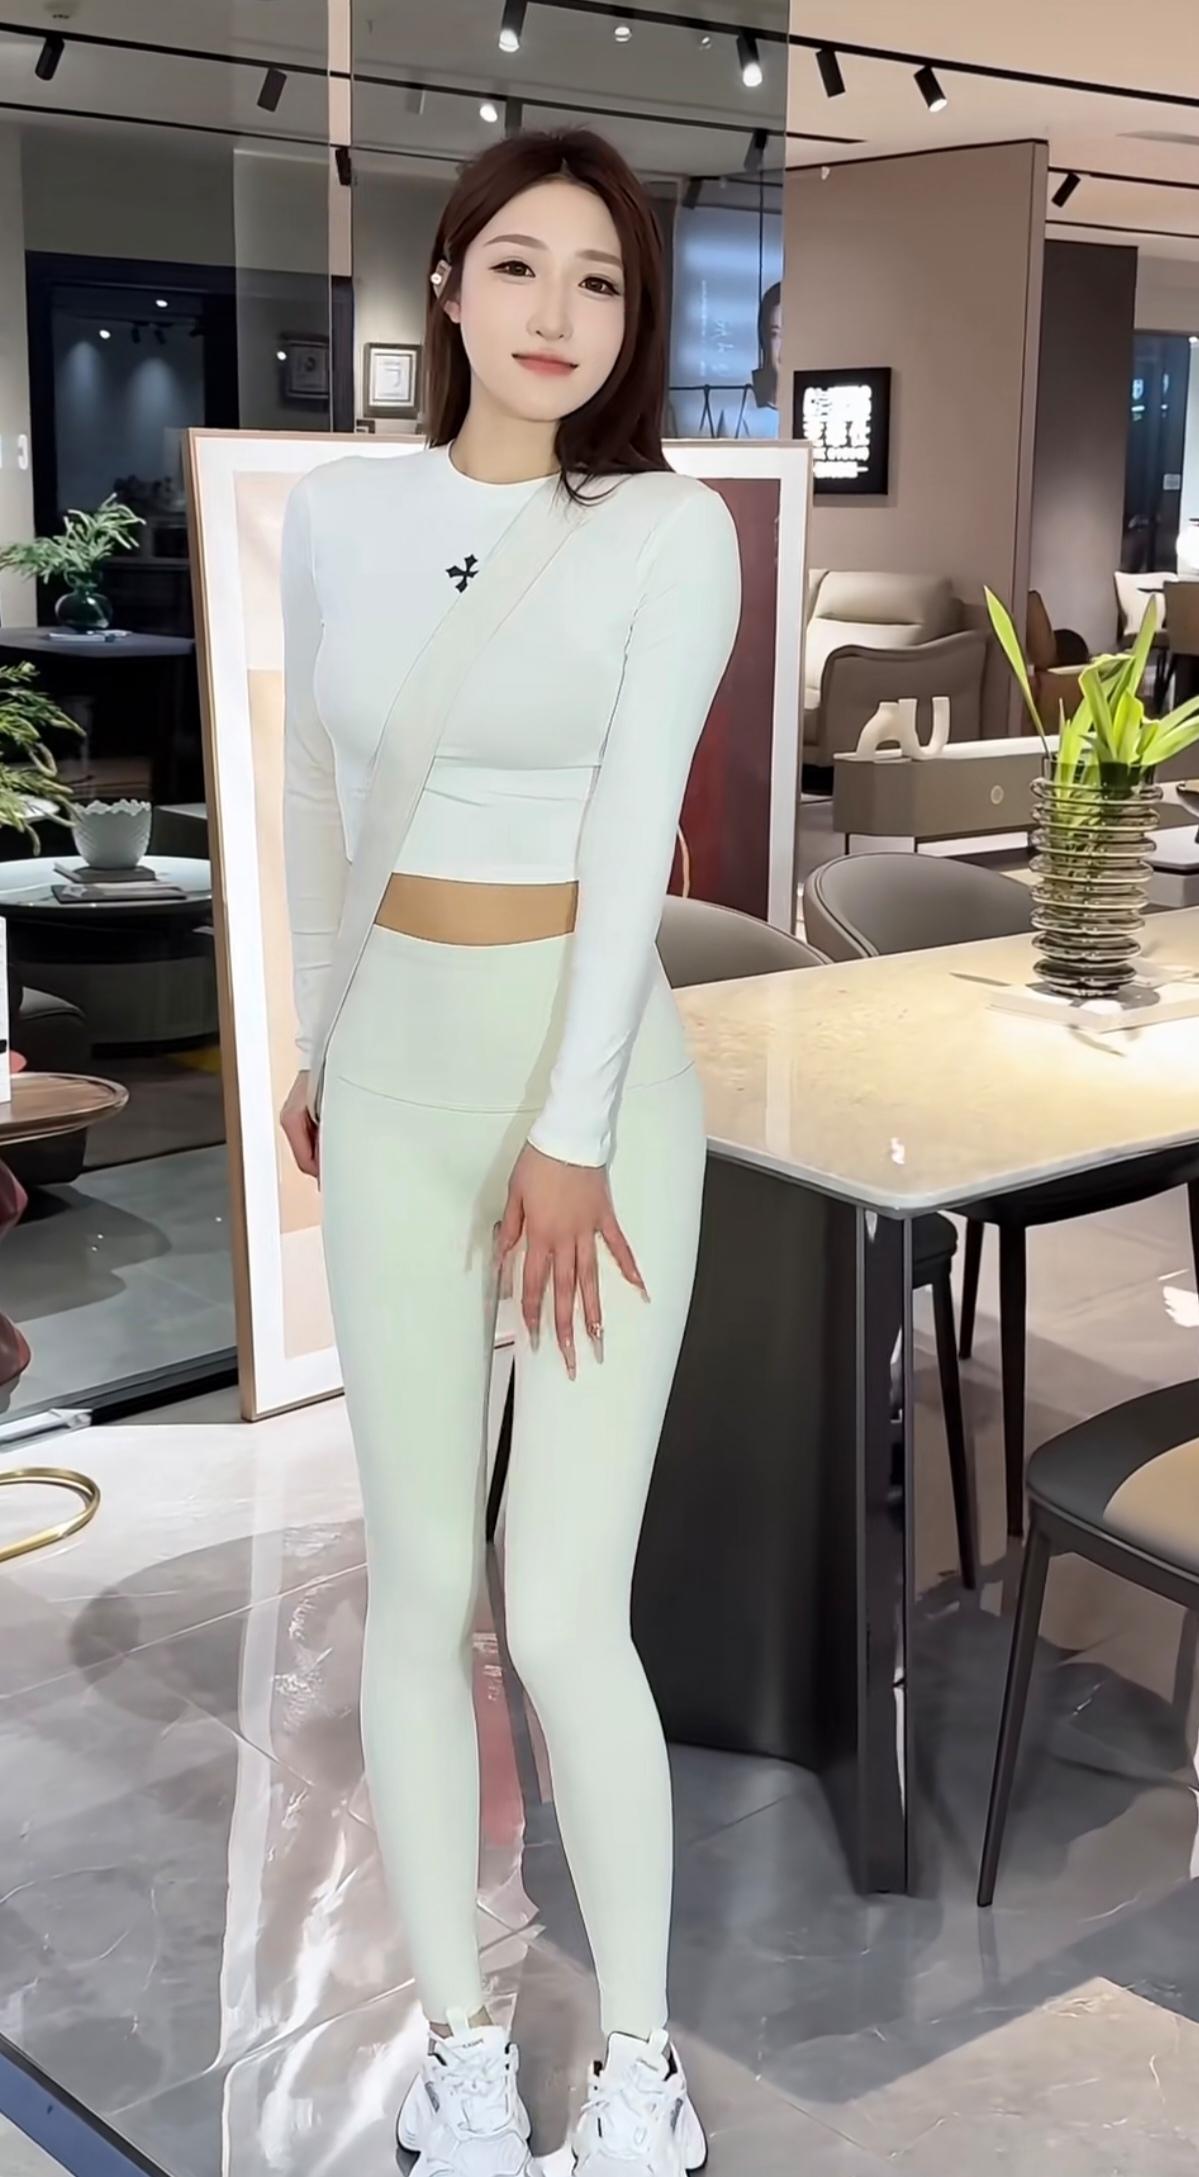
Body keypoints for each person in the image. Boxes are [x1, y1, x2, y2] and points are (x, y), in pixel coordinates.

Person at [278, 126, 741, 2177]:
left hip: (599, 1097)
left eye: (604, 281)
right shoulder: (337, 517)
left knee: (560, 1614)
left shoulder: (668, 531)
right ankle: (461, 2048)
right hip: (396, 1080)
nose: (561, 313)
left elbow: (637, 841)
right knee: (417, 1590)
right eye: (524, 266)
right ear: (450, 281)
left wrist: (569, 1132)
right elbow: (321, 798)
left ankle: (641, 2064)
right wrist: (318, 1040)